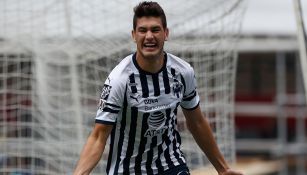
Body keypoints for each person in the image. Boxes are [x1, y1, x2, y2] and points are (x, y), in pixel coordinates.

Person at [73, 1, 243, 175]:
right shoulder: (119, 80)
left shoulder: (182, 72)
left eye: (155, 30)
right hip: (128, 170)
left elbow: (197, 122)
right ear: (134, 35)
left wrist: (223, 169)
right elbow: (99, 136)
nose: (149, 36)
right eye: (142, 30)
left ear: (166, 33)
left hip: (171, 165)